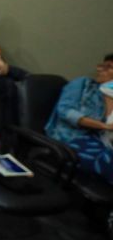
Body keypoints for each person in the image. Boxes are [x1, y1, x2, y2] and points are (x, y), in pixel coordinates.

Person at [45, 53, 113, 185]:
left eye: (109, 67)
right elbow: (65, 111)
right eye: (102, 65)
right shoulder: (83, 83)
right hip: (69, 138)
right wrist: (104, 126)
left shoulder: (107, 95)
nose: (100, 69)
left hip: (98, 142)